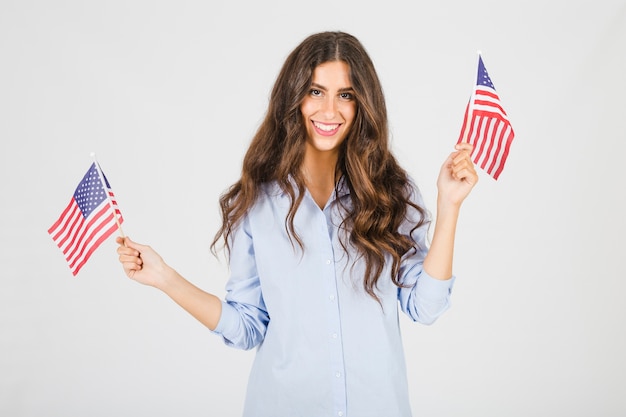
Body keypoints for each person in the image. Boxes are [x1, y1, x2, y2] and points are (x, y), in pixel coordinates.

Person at [117, 31, 478, 417]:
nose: (329, 110)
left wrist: (449, 205)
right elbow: (247, 326)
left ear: (362, 105)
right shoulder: (256, 202)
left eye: (346, 94)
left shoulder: (389, 192)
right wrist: (165, 278)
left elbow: (426, 306)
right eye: (315, 91)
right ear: (294, 98)